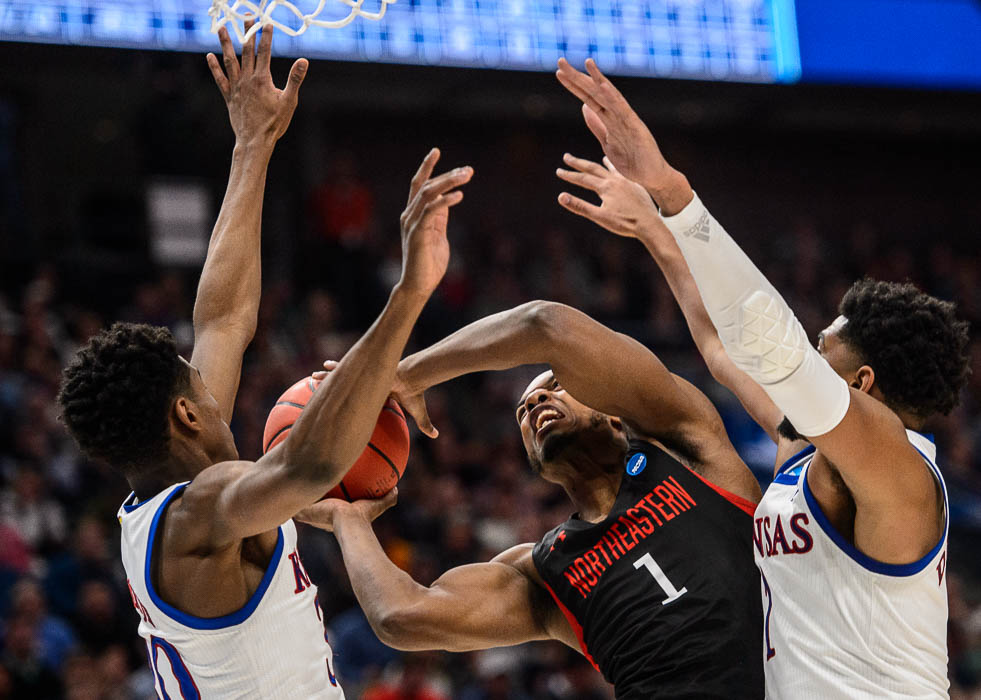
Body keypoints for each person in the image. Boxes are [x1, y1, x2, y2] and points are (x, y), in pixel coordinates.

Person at [55, 23, 473, 699]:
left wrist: (253, 146)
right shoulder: (198, 514)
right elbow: (310, 465)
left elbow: (223, 317)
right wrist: (408, 295)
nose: (207, 371)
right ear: (186, 413)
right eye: (194, 376)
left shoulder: (177, 492)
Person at [552, 58, 971, 698]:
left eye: (821, 346)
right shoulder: (802, 446)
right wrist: (657, 231)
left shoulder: (902, 474)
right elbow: (724, 346)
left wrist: (674, 192)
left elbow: (776, 352)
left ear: (859, 384)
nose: (808, 349)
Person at [299, 300, 765, 699]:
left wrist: (404, 375)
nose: (537, 403)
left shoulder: (686, 448)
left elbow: (546, 325)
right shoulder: (544, 572)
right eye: (524, 409)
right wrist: (349, 519)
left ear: (613, 414)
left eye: (554, 388)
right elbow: (401, 617)